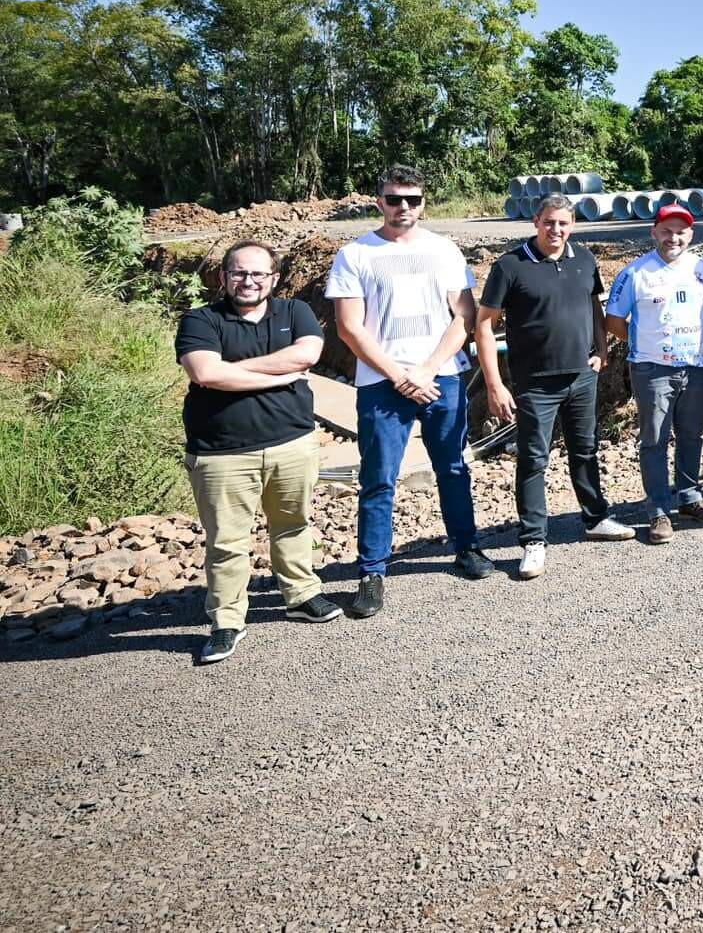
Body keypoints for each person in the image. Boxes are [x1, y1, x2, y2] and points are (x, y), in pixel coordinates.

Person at [327, 163, 491, 617]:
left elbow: (465, 318)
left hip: (443, 377)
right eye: (395, 198)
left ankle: (466, 547)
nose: (404, 207)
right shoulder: (355, 255)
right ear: (378, 201)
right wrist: (401, 376)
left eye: (412, 199)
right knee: (378, 479)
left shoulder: (445, 251)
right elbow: (349, 328)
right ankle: (372, 571)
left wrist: (427, 369)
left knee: (453, 467)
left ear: (423, 203)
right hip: (382, 383)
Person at [175, 240, 340, 664]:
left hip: (293, 443)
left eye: (258, 274)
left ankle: (301, 594)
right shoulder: (201, 320)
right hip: (222, 454)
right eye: (239, 273)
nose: (248, 281)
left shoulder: (294, 312)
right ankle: (227, 620)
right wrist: (280, 374)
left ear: (274, 278)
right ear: (224, 276)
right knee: (227, 542)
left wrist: (231, 372)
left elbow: (308, 354)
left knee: (293, 524)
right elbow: (205, 373)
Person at [479, 195, 630, 581]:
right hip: (535, 384)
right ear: (536, 222)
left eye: (563, 223)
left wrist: (600, 349)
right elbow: (484, 325)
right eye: (549, 223)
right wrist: (495, 384)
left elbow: (594, 305)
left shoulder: (584, 259)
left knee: (585, 449)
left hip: (581, 376)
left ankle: (596, 518)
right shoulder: (510, 266)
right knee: (534, 460)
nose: (555, 230)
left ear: (572, 224)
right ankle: (533, 540)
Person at [605, 203, 703, 543]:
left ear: (691, 234)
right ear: (654, 232)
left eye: (681, 231)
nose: (674, 237)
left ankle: (689, 497)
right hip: (652, 369)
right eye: (667, 231)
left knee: (691, 434)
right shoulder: (635, 273)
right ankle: (658, 511)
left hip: (696, 366)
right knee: (655, 440)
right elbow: (613, 320)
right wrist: (645, 341)